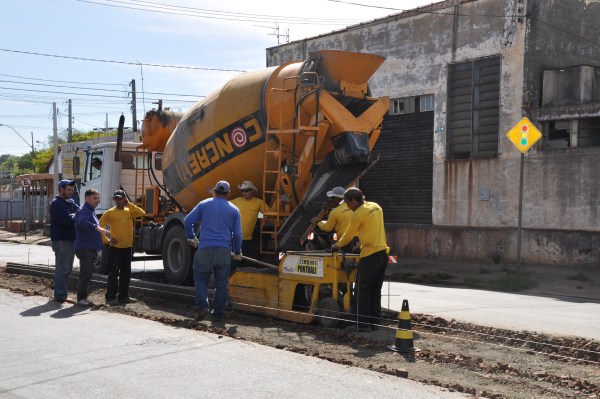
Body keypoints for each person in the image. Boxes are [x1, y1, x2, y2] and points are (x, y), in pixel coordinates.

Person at [332, 187, 389, 332]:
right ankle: (375, 323)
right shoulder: (376, 207)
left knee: (361, 291)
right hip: (383, 254)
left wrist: (337, 245)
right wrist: (360, 243)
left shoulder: (358, 213)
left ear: (353, 200)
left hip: (370, 255)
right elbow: (371, 229)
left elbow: (349, 234)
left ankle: (363, 325)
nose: (347, 207)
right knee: (375, 290)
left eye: (347, 203)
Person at [184, 180, 242, 322]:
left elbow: (187, 221)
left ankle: (203, 308)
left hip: (205, 249)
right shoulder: (234, 210)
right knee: (221, 283)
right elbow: (238, 234)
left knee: (201, 279)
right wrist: (237, 251)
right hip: (224, 252)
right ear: (228, 193)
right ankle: (218, 314)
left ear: (214, 191)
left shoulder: (204, 204)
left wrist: (191, 237)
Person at [99, 190, 145, 306]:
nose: (118, 201)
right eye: (116, 199)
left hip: (127, 247)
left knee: (126, 273)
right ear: (114, 200)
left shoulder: (129, 211)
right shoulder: (109, 213)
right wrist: (107, 240)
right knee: (113, 274)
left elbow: (142, 212)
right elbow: (99, 227)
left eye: (120, 199)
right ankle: (110, 297)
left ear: (124, 199)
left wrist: (128, 203)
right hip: (115, 248)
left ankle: (123, 296)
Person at [74, 189, 109, 306]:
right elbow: (82, 221)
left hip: (90, 246)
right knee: (85, 273)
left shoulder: (90, 210)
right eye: (95, 198)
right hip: (85, 247)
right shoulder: (84, 210)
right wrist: (98, 228)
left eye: (98, 198)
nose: (97, 201)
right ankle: (81, 299)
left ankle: (83, 298)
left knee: (88, 273)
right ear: (87, 198)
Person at [230, 180, 271, 272]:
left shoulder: (259, 202)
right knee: (233, 264)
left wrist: (259, 216)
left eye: (246, 190)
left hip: (248, 240)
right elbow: (224, 204)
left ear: (252, 191)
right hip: (235, 238)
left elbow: (266, 213)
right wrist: (214, 194)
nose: (244, 193)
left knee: (246, 264)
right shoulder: (237, 200)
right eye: (242, 191)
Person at [49, 179, 79, 302]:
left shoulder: (70, 202)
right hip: (62, 240)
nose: (71, 192)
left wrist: (74, 215)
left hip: (69, 239)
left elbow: (80, 212)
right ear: (61, 189)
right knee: (63, 268)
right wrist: (74, 216)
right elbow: (66, 220)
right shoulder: (56, 203)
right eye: (68, 189)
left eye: (72, 190)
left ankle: (61, 293)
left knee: (66, 268)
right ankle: (60, 295)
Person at [310, 186, 356, 252]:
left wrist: (317, 221)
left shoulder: (335, 212)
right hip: (357, 240)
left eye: (332, 198)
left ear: (337, 198)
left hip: (345, 241)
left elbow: (328, 228)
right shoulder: (354, 207)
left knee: (346, 260)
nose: (331, 200)